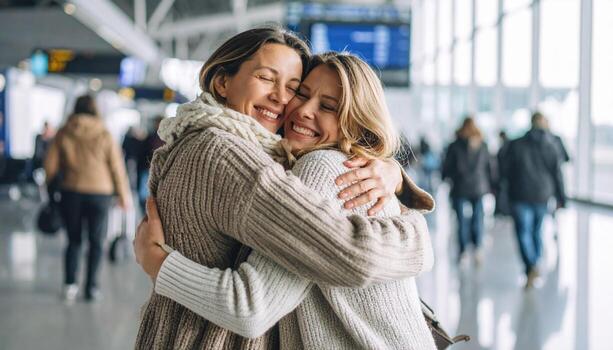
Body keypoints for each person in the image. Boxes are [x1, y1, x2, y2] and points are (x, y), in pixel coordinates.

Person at [133, 28, 434, 349]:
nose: (288, 101)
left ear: (355, 120)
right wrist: (416, 233)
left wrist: (397, 178)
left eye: (293, 87)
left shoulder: (211, 141)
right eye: (267, 78)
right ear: (222, 82)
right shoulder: (225, 153)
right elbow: (257, 305)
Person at [44, 95, 131, 301]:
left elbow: (50, 165)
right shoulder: (104, 133)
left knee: (74, 240)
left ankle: (70, 285)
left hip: (71, 192)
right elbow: (116, 167)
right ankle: (92, 287)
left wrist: (51, 187)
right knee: (96, 241)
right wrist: (123, 195)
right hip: (100, 194)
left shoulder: (64, 132)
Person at [502, 112, 566, 289]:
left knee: (523, 231)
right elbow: (557, 174)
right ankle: (535, 262)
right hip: (542, 195)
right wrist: (561, 197)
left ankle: (530, 265)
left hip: (520, 194)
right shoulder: (552, 145)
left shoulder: (516, 144)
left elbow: (505, 170)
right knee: (537, 231)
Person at [442, 116, 492, 267]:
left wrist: (446, 178)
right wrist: (492, 185)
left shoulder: (454, 145)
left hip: (460, 187)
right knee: (478, 218)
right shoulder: (482, 145)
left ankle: (463, 251)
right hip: (478, 187)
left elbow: (447, 166)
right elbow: (489, 166)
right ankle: (477, 248)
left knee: (461, 220)